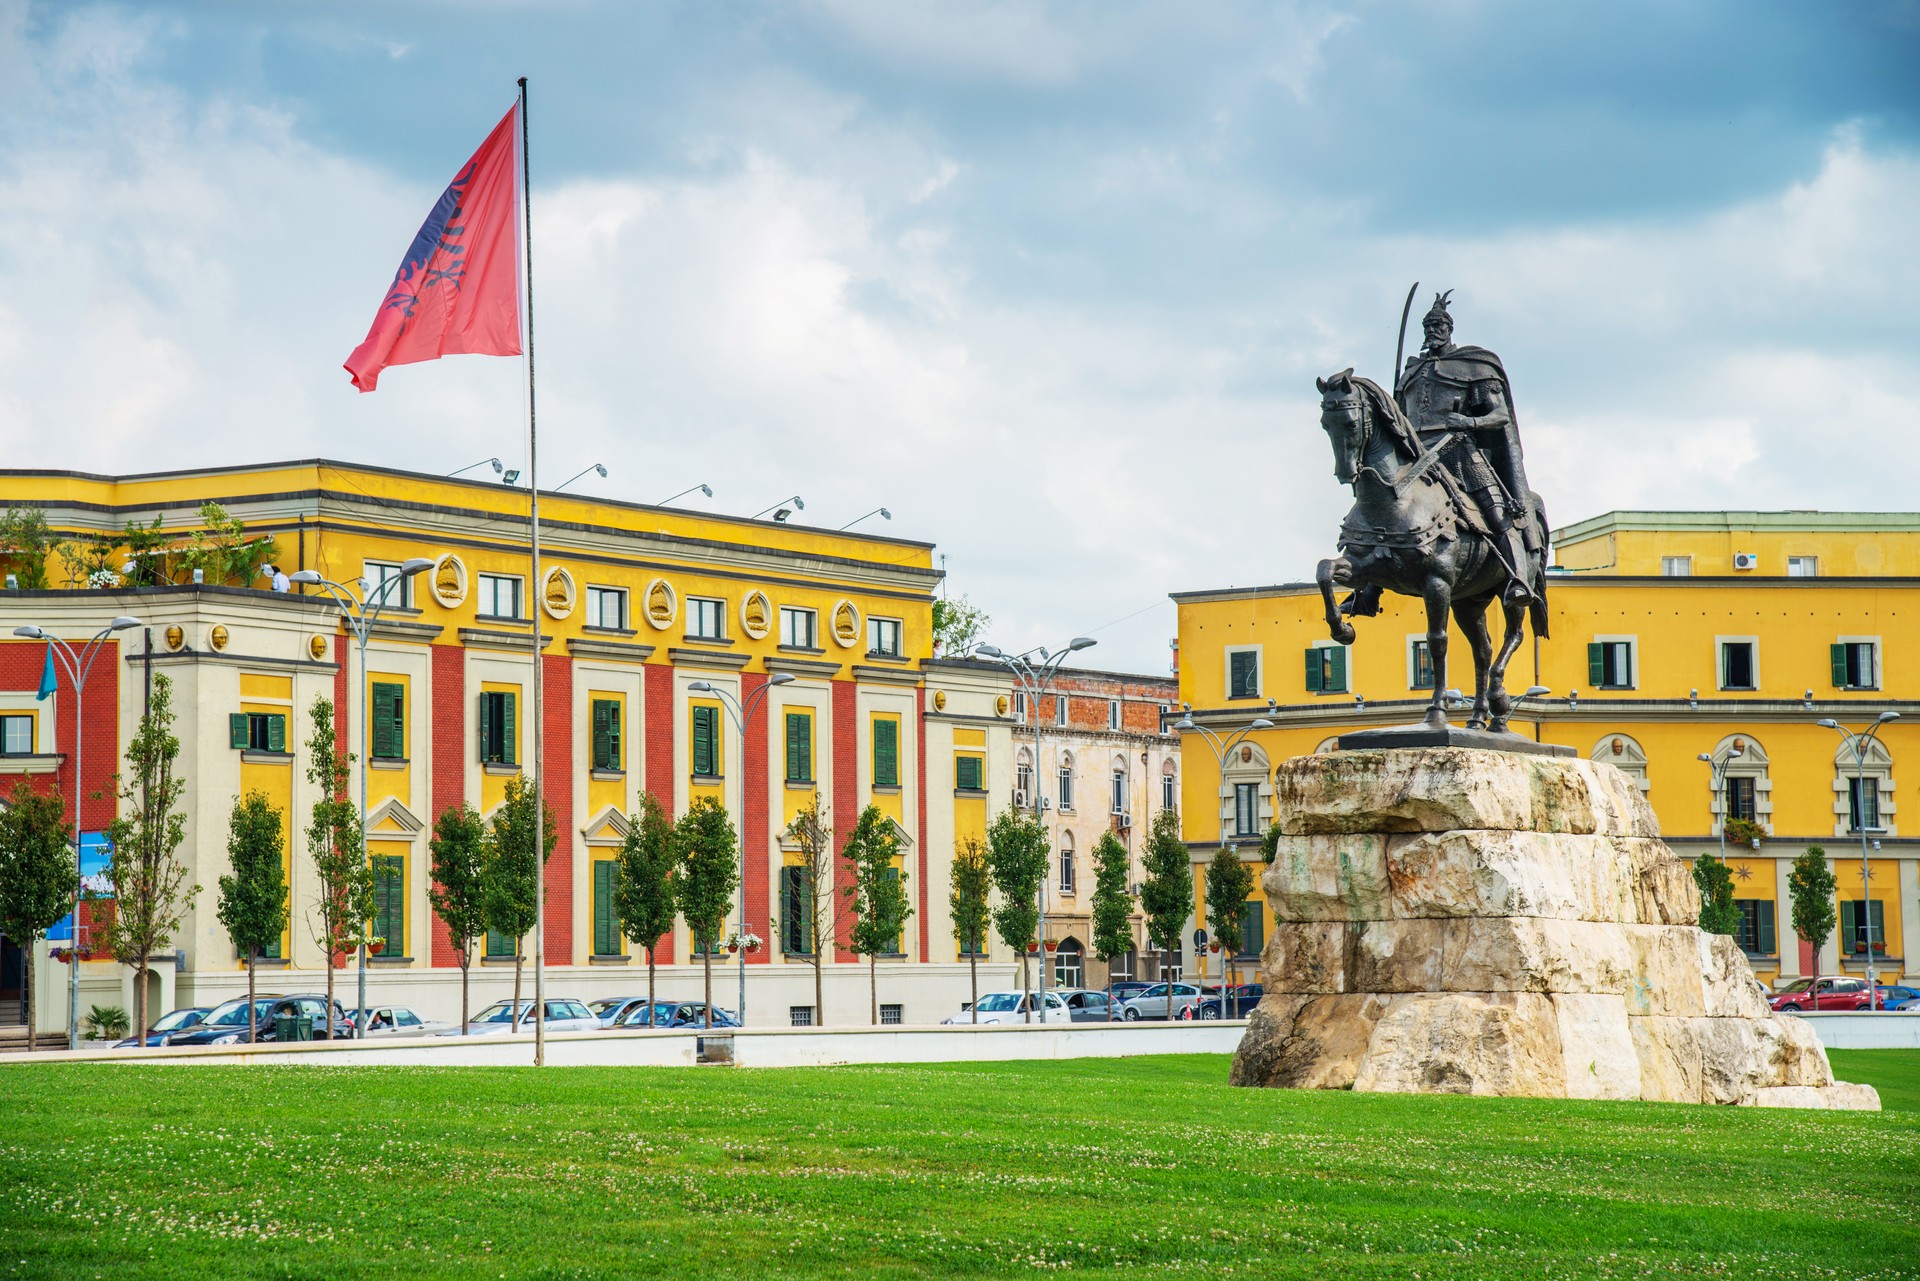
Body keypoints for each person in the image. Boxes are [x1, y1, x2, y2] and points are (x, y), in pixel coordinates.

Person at [1395, 291, 1538, 604]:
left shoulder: (1472, 366)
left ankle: (1518, 579)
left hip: (1458, 451)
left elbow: (1499, 415)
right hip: (1415, 456)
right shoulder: (1410, 374)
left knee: (1497, 511)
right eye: (1428, 325)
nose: (1432, 330)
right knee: (1382, 502)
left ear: (1449, 329)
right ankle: (1367, 590)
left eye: (1438, 325)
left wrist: (1468, 423)